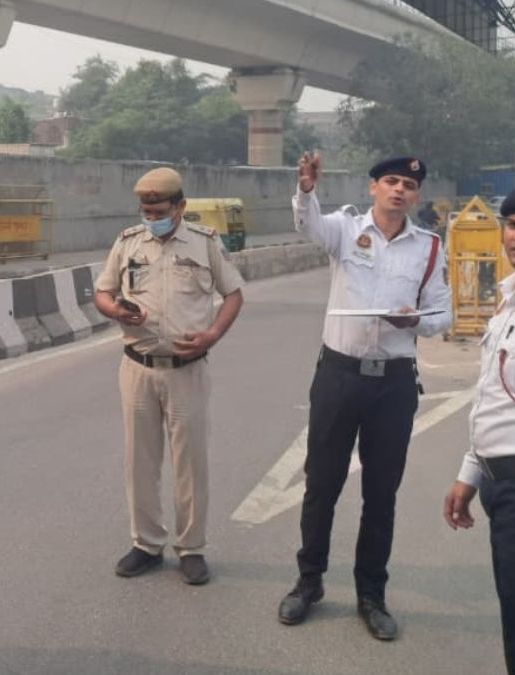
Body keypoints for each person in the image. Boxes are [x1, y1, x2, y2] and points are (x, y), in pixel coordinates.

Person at [277, 153, 452, 640]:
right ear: (373, 187)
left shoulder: (430, 248)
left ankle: (371, 594)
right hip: (339, 376)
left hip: (394, 383)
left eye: (409, 185)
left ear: (416, 195)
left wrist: (413, 320)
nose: (400, 191)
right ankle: (308, 582)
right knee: (322, 486)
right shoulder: (343, 230)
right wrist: (306, 189)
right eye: (391, 182)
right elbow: (307, 225)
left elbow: (443, 314)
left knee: (381, 493)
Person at [93, 167, 245, 585]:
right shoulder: (127, 243)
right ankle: (145, 544)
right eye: (145, 210)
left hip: (187, 370)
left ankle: (192, 548)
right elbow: (103, 292)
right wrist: (115, 309)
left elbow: (233, 294)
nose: (151, 216)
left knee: (189, 463)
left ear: (179, 207)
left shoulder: (206, 243)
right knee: (139, 461)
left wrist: (212, 334)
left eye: (159, 209)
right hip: (137, 367)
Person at [443, 179, 515, 674]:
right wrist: (470, 472)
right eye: (513, 224)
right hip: (505, 485)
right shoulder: (514, 298)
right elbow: (497, 396)